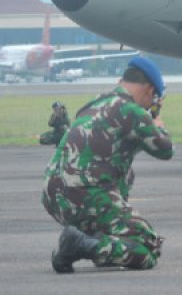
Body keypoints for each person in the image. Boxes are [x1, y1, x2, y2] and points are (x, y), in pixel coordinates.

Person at [42, 56, 173, 273]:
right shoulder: (130, 110)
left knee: (126, 174)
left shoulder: (94, 104)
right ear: (149, 90)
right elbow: (165, 149)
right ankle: (83, 246)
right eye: (154, 101)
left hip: (54, 198)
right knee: (146, 247)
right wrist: (159, 126)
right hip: (85, 196)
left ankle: (88, 241)